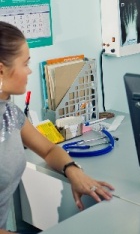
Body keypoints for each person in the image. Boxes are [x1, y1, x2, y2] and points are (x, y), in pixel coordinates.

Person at [0, 21, 114, 234]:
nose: (29, 71)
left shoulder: (10, 114)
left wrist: (72, 170)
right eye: (25, 64)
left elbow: (49, 149)